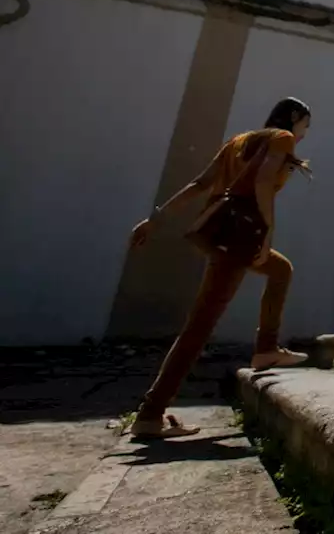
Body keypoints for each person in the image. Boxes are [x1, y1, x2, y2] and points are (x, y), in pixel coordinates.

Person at [126, 97, 314, 439]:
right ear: (295, 118)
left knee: (280, 271)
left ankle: (266, 348)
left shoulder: (239, 141)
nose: (304, 135)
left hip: (223, 234)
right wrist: (268, 233)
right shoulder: (280, 139)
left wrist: (156, 219)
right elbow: (261, 183)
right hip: (240, 237)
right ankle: (151, 413)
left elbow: (200, 184)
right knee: (200, 325)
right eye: (305, 126)